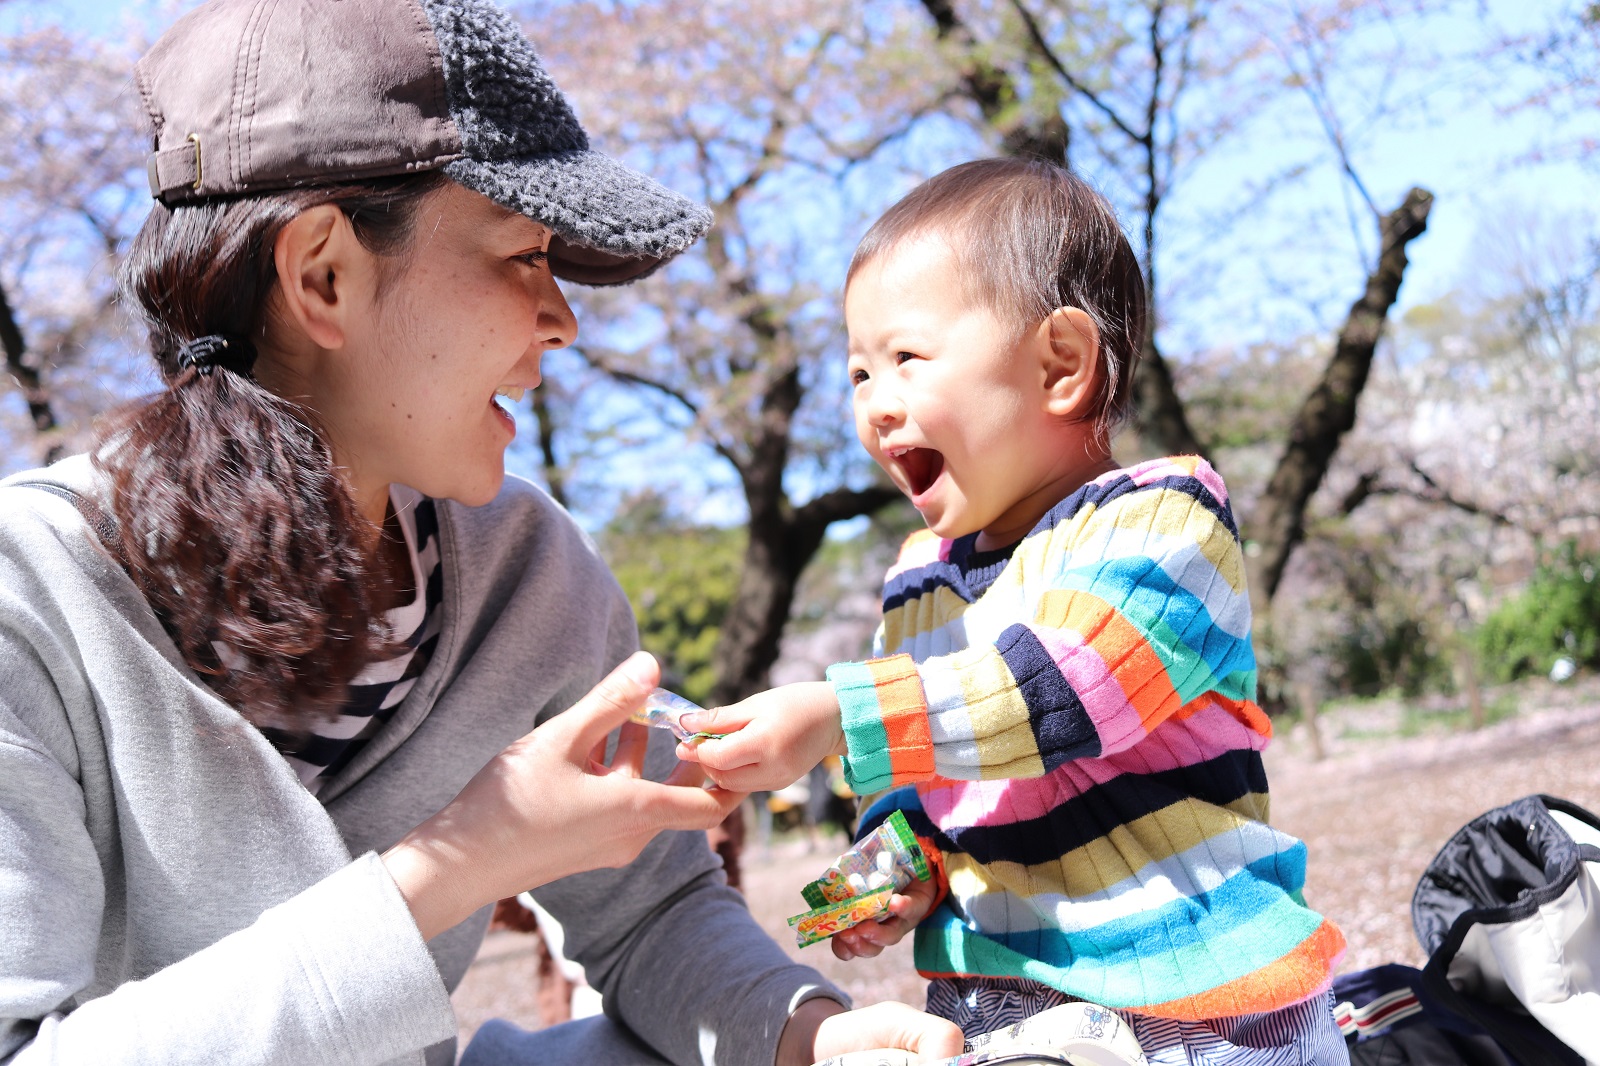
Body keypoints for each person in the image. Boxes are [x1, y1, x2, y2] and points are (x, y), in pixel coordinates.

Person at [0, 1, 966, 1064]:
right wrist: (459, 860)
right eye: (523, 255)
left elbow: (648, 916)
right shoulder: (33, 598)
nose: (563, 317)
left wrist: (810, 1036)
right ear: (324, 273)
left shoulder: (528, 573)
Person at [677, 159, 1352, 1064]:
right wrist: (892, 867)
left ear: (1060, 365)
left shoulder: (1162, 522)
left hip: (1192, 997)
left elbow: (1061, 691)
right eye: (859, 374)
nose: (876, 406)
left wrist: (843, 712)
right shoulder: (918, 583)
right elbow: (925, 786)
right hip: (1000, 1004)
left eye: (906, 359)